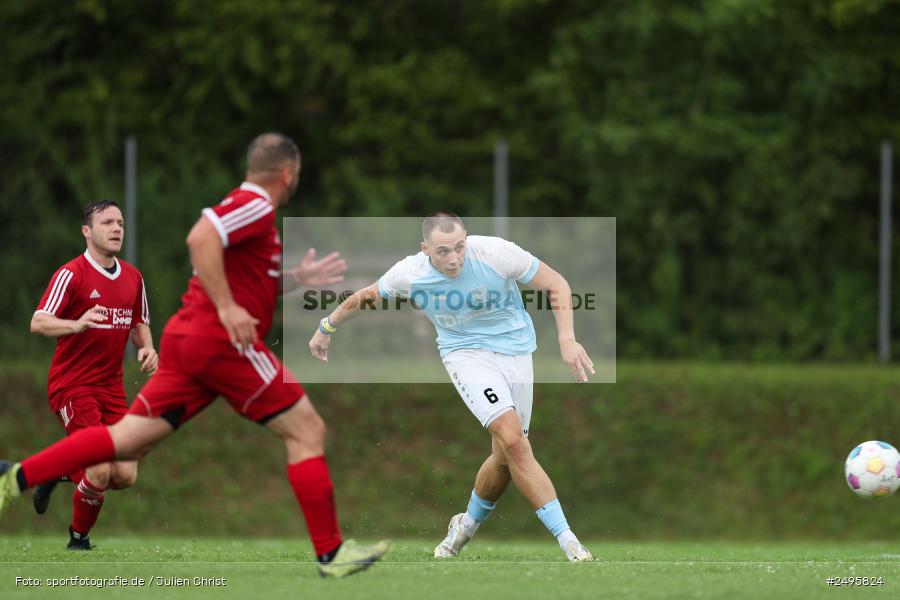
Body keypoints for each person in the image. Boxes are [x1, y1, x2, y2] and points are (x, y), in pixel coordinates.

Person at [0, 133, 389, 578]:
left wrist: (297, 276)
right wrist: (225, 308)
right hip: (220, 343)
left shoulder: (253, 214)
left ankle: (14, 477)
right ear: (288, 173)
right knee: (307, 430)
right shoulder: (257, 204)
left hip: (190, 344)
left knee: (122, 447)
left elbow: (248, 278)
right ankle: (330, 554)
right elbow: (201, 236)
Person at [307, 212, 594, 562]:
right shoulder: (410, 273)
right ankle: (570, 543)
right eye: (443, 251)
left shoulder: (496, 253)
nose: (454, 257)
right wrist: (326, 327)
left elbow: (557, 284)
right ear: (424, 248)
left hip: (517, 352)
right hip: (466, 356)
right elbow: (367, 296)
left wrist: (567, 339)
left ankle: (465, 526)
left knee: (506, 456)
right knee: (515, 440)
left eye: (459, 247)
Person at [29, 200, 157, 550]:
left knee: (125, 475)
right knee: (99, 470)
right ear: (87, 231)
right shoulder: (71, 274)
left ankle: (58, 469)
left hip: (111, 389)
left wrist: (147, 348)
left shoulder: (133, 277)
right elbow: (38, 322)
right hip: (73, 386)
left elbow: (139, 323)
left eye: (120, 223)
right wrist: (77, 323)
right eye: (107, 222)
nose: (116, 228)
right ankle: (79, 541)